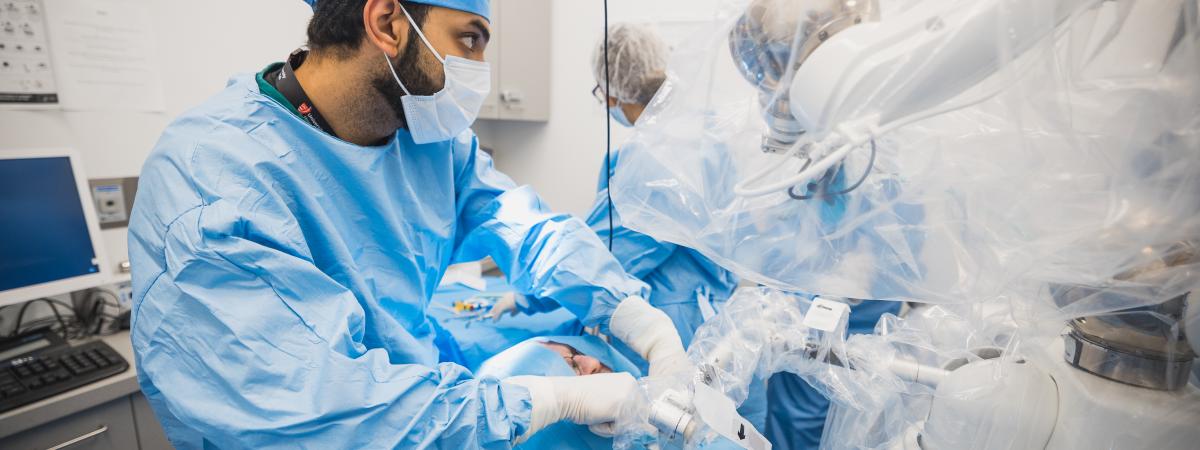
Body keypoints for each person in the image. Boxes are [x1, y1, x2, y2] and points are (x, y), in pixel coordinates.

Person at [127, 1, 694, 448]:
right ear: (386, 22)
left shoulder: (430, 142)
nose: (478, 70)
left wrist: (635, 316)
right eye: (469, 39)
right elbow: (316, 413)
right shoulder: (213, 180)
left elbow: (521, 223)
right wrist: (542, 402)